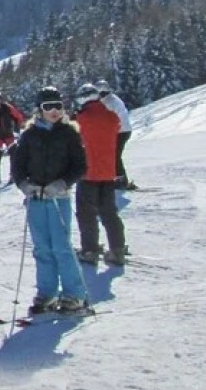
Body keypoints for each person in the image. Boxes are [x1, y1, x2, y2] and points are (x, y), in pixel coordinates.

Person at [10, 86, 89, 314]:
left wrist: (62, 183)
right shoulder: (29, 135)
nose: (54, 111)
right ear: (39, 110)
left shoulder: (69, 133)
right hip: (36, 198)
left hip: (58, 198)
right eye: (48, 107)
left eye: (58, 106)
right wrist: (24, 184)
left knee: (61, 247)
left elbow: (79, 166)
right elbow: (18, 165)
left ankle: (74, 294)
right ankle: (47, 292)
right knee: (42, 248)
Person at [71, 83, 128, 265]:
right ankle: (117, 249)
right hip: (107, 172)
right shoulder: (111, 117)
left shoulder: (81, 118)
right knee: (109, 212)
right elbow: (117, 127)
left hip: (88, 173)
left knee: (86, 214)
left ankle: (90, 250)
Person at [96, 80, 135, 189]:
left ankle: (121, 180)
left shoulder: (109, 102)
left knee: (114, 155)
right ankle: (118, 178)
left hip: (120, 131)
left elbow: (106, 120)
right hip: (122, 130)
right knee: (114, 155)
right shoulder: (111, 99)